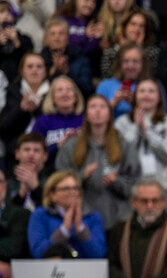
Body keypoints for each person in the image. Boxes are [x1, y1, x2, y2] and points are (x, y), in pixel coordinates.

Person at [56, 94, 139, 228]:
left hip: (119, 218)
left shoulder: (124, 144)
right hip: (83, 218)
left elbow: (136, 182)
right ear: (86, 115)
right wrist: (81, 176)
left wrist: (116, 182)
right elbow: (59, 182)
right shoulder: (71, 146)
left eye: (102, 107)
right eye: (93, 107)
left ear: (109, 114)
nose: (98, 111)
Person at [113, 78, 167, 209]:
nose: (146, 95)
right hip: (131, 189)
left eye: (151, 91)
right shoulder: (122, 123)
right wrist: (135, 127)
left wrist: (147, 132)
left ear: (159, 97)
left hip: (163, 188)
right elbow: (119, 155)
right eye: (142, 91)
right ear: (135, 96)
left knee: (162, 229)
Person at [27, 170, 106, 259]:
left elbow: (99, 254)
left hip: (86, 271)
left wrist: (80, 229)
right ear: (52, 195)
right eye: (66, 189)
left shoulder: (93, 217)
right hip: (53, 271)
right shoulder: (40, 215)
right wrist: (63, 230)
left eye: (75, 188)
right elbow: (38, 253)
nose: (72, 192)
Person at [95, 42, 148, 117]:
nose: (130, 66)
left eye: (135, 61)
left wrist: (134, 103)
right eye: (126, 61)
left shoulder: (152, 87)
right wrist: (114, 102)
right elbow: (95, 116)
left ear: (143, 64)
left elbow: (158, 115)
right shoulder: (105, 85)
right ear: (120, 64)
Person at [40, 18, 91, 96]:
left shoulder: (80, 59)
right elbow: (36, 88)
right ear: (46, 39)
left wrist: (67, 72)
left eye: (61, 34)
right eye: (52, 34)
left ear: (67, 38)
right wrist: (53, 71)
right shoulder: (39, 60)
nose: (57, 38)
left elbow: (87, 89)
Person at [6, 133, 52, 211]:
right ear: (17, 154)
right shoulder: (7, 180)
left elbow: (54, 210)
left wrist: (36, 188)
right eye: (26, 149)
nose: (31, 154)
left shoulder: (53, 179)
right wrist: (21, 195)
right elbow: (5, 218)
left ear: (45, 156)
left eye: (36, 150)